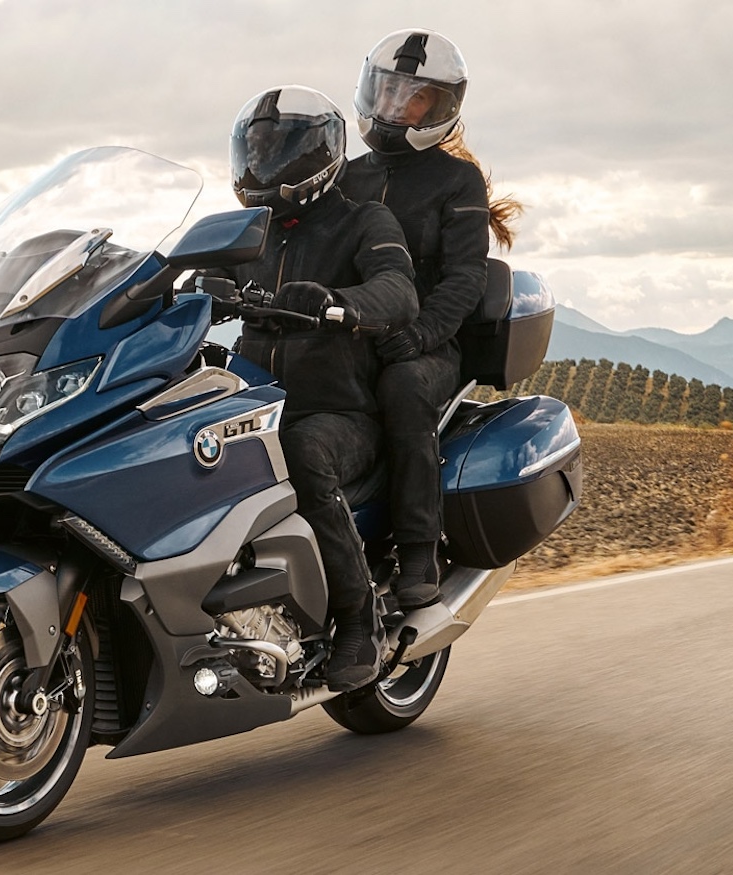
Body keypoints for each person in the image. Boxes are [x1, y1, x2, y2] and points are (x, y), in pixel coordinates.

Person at [206, 85, 418, 690]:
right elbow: (198, 275)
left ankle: (358, 618)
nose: (262, 162)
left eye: (277, 150)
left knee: (300, 451)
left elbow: (398, 291)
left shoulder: (363, 220)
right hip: (255, 402)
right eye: (255, 149)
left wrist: (339, 304)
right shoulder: (246, 233)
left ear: (316, 156)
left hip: (341, 412)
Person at [339, 29, 523, 608]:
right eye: (389, 90)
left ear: (439, 107)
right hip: (350, 330)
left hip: (427, 344)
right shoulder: (346, 175)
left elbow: (466, 278)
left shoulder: (455, 181)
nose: (397, 106)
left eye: (414, 97)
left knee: (402, 388)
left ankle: (418, 544)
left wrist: (420, 336)